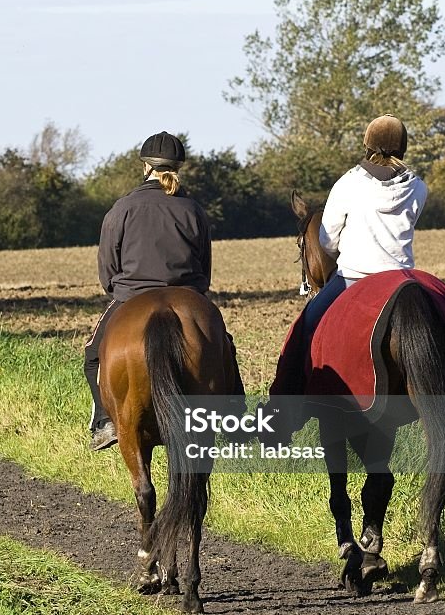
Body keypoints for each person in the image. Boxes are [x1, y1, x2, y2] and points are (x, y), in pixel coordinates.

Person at [85, 131, 244, 451]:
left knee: (93, 354)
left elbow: (107, 269)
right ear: (177, 168)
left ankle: (105, 422)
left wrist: (119, 289)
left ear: (146, 167)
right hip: (188, 295)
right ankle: (235, 419)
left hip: (131, 296)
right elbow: (204, 266)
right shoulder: (193, 209)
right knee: (224, 347)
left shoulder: (122, 208)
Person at [270, 114, 427, 406]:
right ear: (402, 148)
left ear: (368, 145)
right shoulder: (418, 186)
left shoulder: (349, 182)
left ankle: (285, 408)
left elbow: (327, 239)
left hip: (353, 276)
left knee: (304, 328)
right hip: (402, 279)